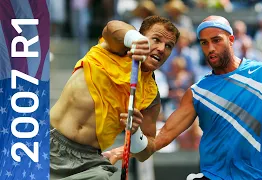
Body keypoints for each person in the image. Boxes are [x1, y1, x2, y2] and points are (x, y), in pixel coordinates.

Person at [105, 15, 262, 180]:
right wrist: (123, 147)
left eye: (216, 40)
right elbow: (161, 138)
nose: (210, 49)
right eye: (204, 43)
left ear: (231, 39)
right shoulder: (197, 92)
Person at [50, 15, 180, 179]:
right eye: (156, 39)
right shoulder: (112, 48)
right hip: (48, 144)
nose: (162, 48)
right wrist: (134, 40)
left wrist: (135, 133)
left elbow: (145, 152)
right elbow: (111, 27)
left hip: (88, 164)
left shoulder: (152, 96)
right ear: (140, 36)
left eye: (168, 46)